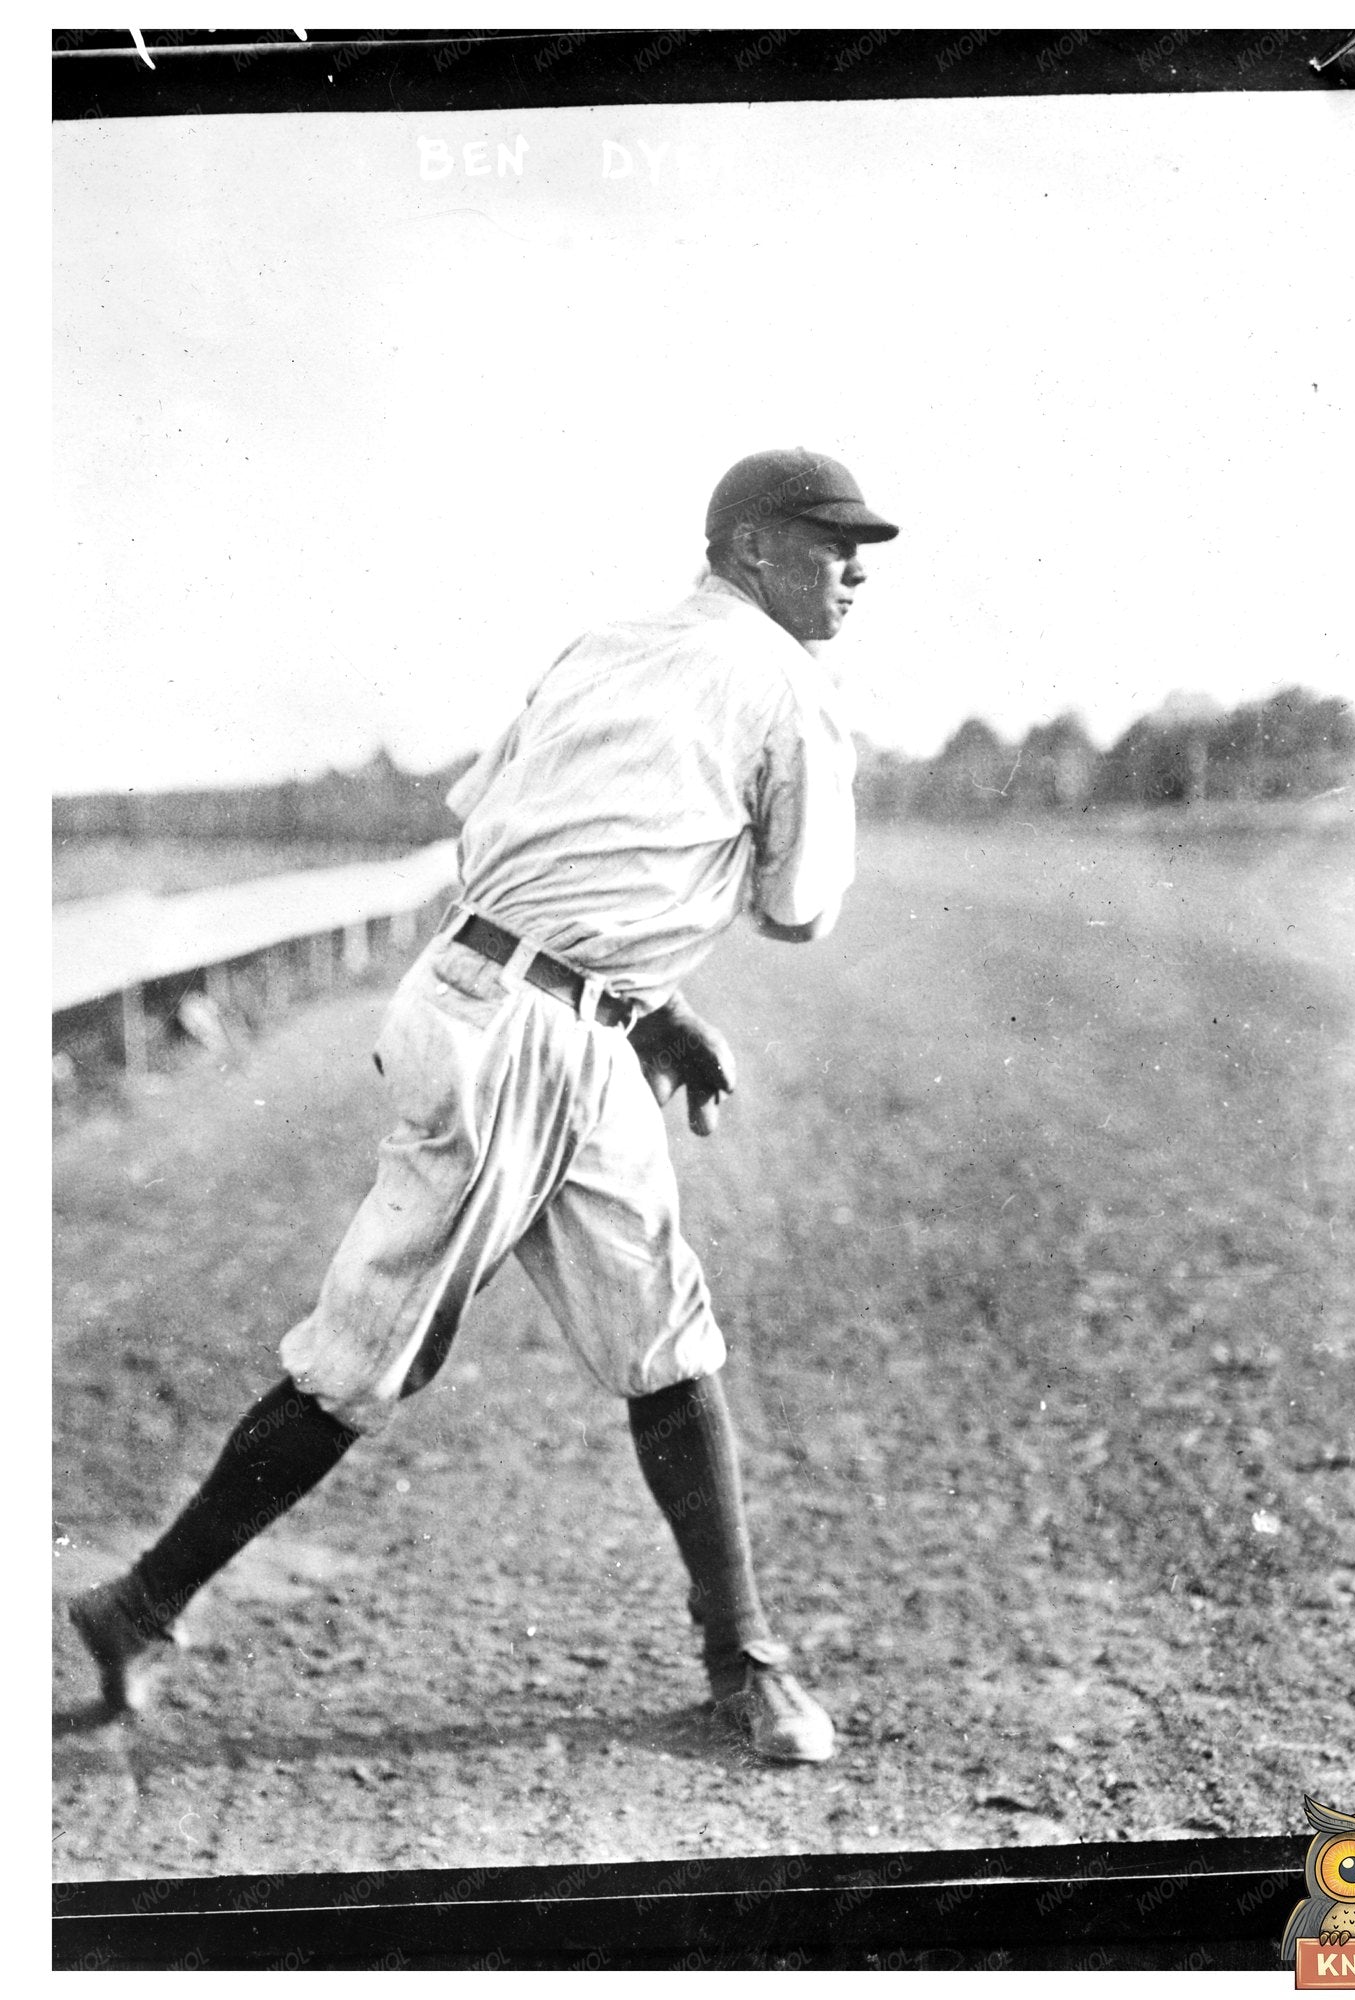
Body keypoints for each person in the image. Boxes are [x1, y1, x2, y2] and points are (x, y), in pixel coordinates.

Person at [69, 446, 899, 1765]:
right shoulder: (789, 686)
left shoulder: (604, 646)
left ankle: (744, 1657)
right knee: (365, 1358)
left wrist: (648, 1003)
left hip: (538, 1014)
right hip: (513, 1040)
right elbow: (799, 911)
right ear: (751, 546)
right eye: (830, 543)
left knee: (664, 1336)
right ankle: (141, 1602)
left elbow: (490, 836)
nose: (855, 572)